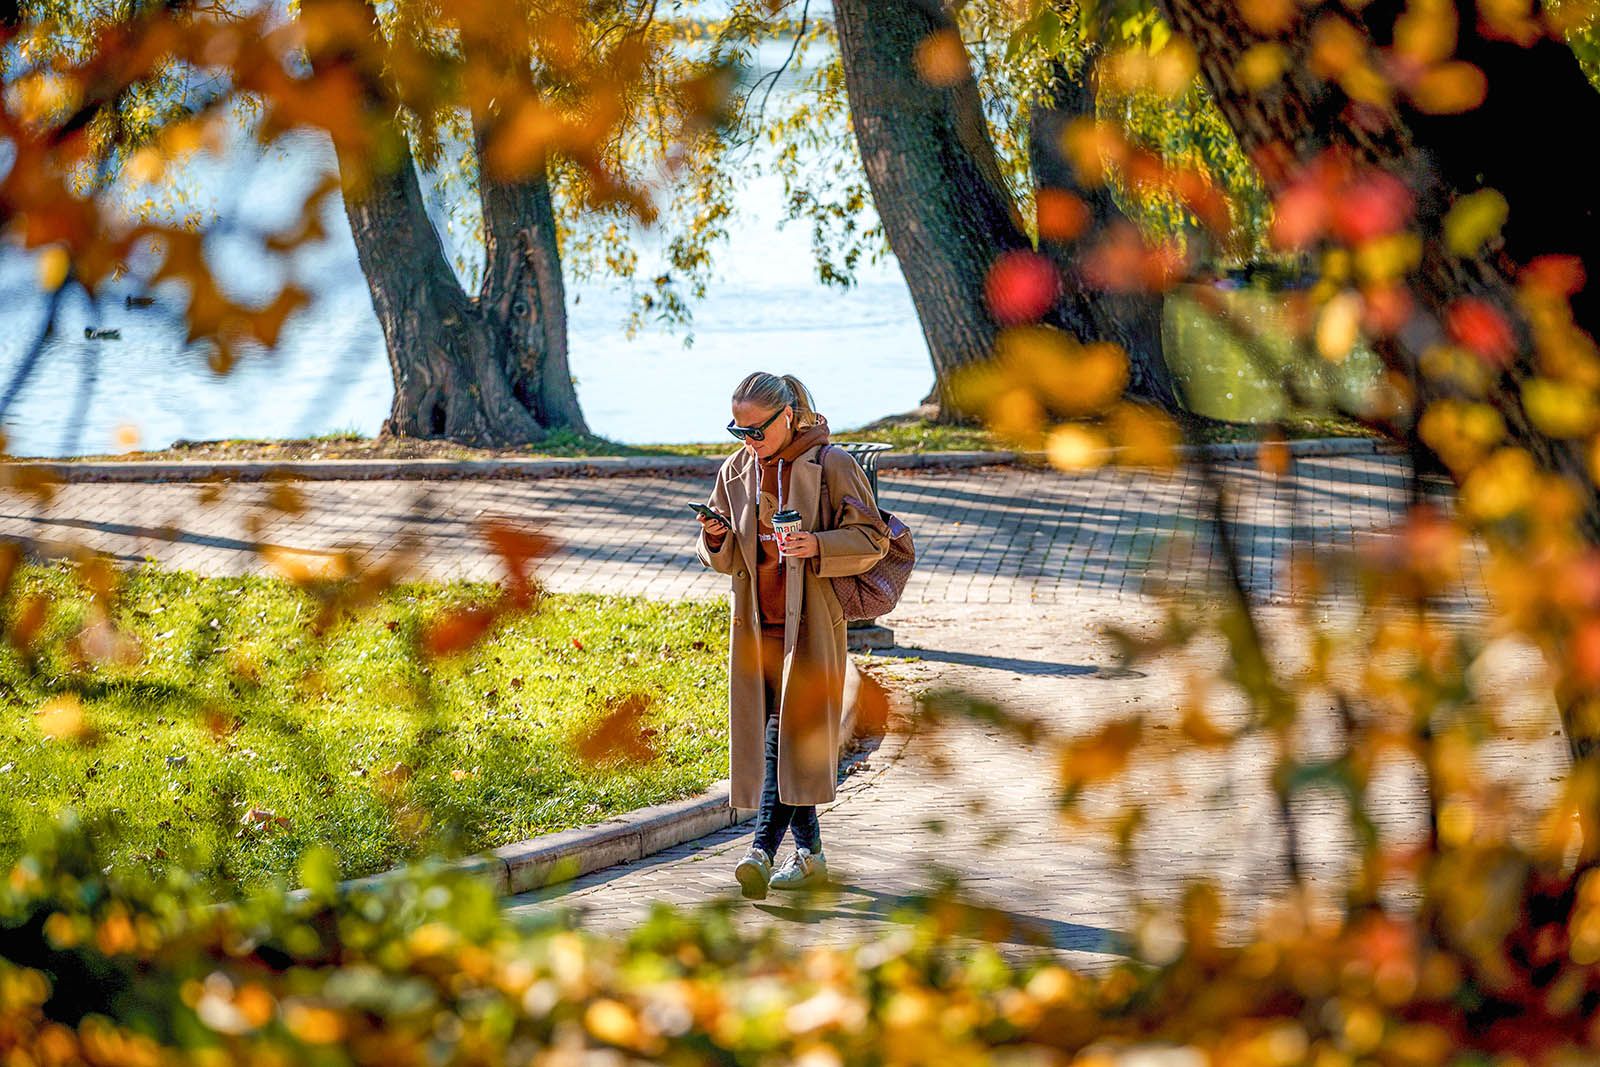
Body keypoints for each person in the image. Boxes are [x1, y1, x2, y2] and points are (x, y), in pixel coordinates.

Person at [694, 372, 890, 899]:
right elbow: (727, 558)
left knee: (784, 736)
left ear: (787, 417)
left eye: (756, 430)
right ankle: (810, 857)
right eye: (739, 430)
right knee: (780, 743)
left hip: (811, 630)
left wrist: (817, 545)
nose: (748, 441)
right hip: (756, 631)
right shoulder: (736, 470)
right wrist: (715, 538)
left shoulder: (833, 464)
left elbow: (873, 539)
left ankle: (760, 849)